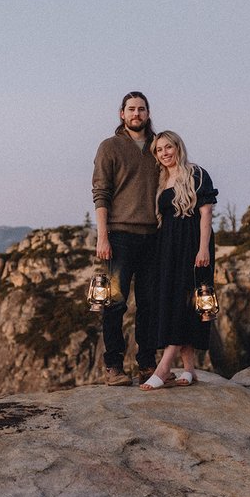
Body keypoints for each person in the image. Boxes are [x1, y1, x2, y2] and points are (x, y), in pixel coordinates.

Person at [140, 130, 218, 390]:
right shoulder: (163, 179)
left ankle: (164, 368)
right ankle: (189, 369)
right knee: (175, 299)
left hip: (192, 244)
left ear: (178, 147)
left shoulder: (196, 173)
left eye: (168, 147)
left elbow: (206, 213)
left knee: (186, 302)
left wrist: (203, 248)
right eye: (159, 150)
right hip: (168, 247)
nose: (164, 153)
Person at [91, 92, 160, 386]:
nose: (136, 114)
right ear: (121, 114)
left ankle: (147, 365)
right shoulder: (110, 147)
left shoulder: (158, 147)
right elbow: (101, 193)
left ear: (147, 113)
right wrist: (102, 236)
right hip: (120, 236)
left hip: (153, 237)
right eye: (131, 109)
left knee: (149, 303)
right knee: (115, 303)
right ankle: (114, 368)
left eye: (141, 109)